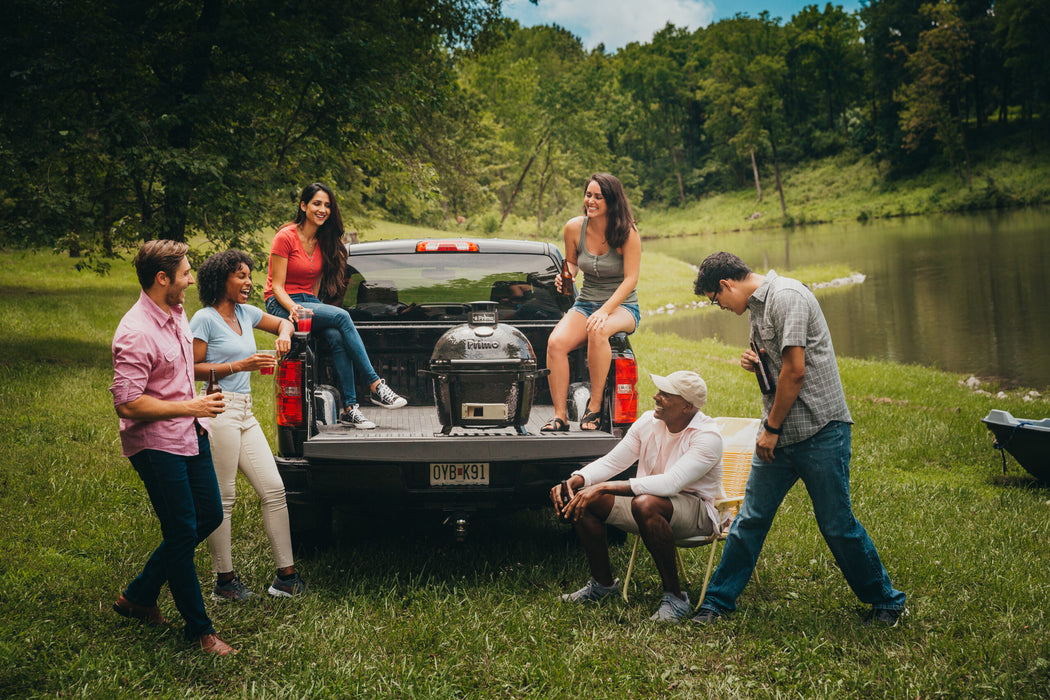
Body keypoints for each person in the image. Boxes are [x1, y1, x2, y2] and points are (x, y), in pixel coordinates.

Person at [691, 252, 907, 626]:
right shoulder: (757, 309)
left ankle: (886, 601)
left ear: (727, 284)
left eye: (715, 298)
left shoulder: (787, 297)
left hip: (819, 430)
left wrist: (770, 431)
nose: (720, 306)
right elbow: (778, 368)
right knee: (750, 520)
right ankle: (717, 603)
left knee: (837, 525)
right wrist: (757, 363)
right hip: (779, 432)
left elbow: (795, 373)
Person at [109, 240, 235, 656]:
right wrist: (190, 406)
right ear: (162, 279)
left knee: (209, 515)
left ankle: (140, 594)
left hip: (190, 432)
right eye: (185, 273)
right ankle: (200, 630)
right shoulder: (135, 332)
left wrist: (197, 409)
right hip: (156, 444)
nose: (192, 279)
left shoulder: (176, 311)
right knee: (181, 529)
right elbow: (127, 403)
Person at [553, 371, 724, 623]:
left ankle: (676, 599)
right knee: (583, 497)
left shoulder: (707, 437)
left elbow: (671, 483)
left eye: (666, 395)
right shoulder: (648, 422)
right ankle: (602, 585)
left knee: (645, 503)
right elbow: (613, 461)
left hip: (696, 511)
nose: (656, 396)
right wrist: (577, 479)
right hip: (648, 505)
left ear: (687, 406)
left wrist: (605, 487)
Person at [190, 250, 308, 601]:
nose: (248, 282)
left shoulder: (246, 313)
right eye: (240, 276)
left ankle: (286, 578)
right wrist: (240, 365)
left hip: (245, 411)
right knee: (224, 497)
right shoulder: (204, 319)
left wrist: (285, 333)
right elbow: (192, 367)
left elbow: (284, 321)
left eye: (249, 276)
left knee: (274, 489)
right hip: (217, 408)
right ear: (221, 280)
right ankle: (224, 582)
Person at [264, 182, 406, 429]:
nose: (322, 209)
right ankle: (376, 385)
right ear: (303, 205)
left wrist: (315, 308)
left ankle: (350, 409)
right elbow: (276, 286)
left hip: (309, 303)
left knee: (338, 337)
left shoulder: (323, 241)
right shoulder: (285, 237)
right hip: (282, 304)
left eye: (327, 205)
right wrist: (292, 309)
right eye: (317, 203)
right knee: (341, 317)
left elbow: (315, 285)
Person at [543, 173, 641, 432]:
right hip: (586, 302)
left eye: (598, 196)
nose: (591, 201)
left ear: (612, 200)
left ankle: (594, 408)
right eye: (588, 195)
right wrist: (567, 276)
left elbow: (631, 279)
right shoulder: (574, 227)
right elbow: (572, 262)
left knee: (597, 329)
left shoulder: (627, 232)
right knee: (555, 343)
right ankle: (560, 417)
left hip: (622, 306)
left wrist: (605, 311)